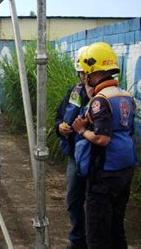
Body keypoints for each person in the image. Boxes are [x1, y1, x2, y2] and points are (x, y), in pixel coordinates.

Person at [72, 42, 137, 249]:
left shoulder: (101, 100)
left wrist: (82, 131)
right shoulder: (125, 95)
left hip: (105, 172)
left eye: (86, 73)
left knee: (98, 231)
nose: (84, 78)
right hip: (125, 168)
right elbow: (129, 130)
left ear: (93, 70)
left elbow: (102, 138)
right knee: (116, 227)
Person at [54, 46, 91, 249]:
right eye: (81, 72)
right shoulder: (74, 92)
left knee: (96, 204)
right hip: (75, 158)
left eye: (87, 73)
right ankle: (78, 241)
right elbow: (59, 116)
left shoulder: (104, 97)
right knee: (73, 201)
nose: (84, 77)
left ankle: (95, 241)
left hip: (96, 158)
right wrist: (60, 127)